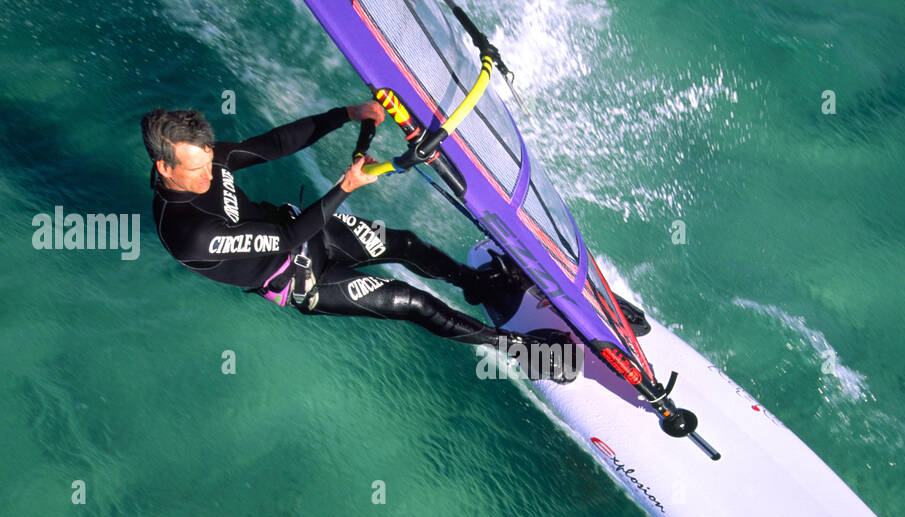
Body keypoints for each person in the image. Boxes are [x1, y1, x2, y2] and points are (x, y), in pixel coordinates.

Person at [140, 104, 577, 381]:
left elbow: (273, 144)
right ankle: (523, 350)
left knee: (404, 243)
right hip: (303, 279)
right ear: (164, 166)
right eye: (196, 170)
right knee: (413, 303)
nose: (209, 173)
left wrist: (348, 113)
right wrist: (347, 185)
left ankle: (477, 285)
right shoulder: (188, 232)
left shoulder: (206, 161)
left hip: (313, 233)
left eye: (209, 160)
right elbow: (287, 239)